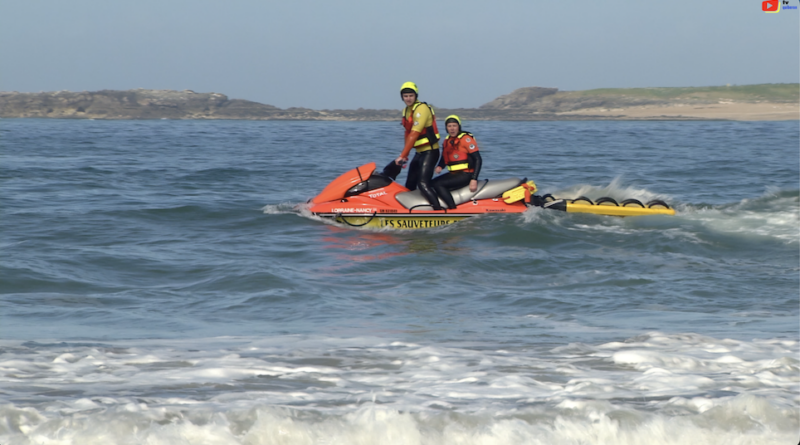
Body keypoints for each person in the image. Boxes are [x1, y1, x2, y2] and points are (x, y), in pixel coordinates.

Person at [394, 81, 443, 210]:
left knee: (422, 183)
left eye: (411, 95)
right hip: (419, 153)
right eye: (405, 96)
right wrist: (406, 156)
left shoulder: (422, 108)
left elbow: (414, 134)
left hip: (430, 152)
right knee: (409, 185)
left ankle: (439, 211)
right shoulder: (406, 111)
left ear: (415, 96)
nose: (408, 98)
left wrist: (402, 155)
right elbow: (407, 133)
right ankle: (410, 210)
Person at [432, 115, 483, 210]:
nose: (452, 129)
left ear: (459, 126)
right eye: (449, 126)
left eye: (454, 126)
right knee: (431, 184)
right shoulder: (447, 141)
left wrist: (474, 179)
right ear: (446, 128)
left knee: (438, 184)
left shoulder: (466, 139)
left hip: (466, 174)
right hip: (454, 174)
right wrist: (440, 166)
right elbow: (444, 158)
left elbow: (478, 159)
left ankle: (452, 209)